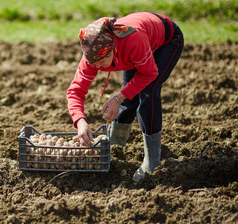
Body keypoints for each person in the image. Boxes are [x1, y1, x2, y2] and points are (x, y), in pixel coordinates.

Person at [67, 12, 184, 182]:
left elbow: (149, 73)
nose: (97, 67)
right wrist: (80, 122)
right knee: (129, 91)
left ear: (112, 49)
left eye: (101, 61)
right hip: (138, 44)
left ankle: (152, 163)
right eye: (93, 63)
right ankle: (116, 146)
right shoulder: (93, 55)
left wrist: (117, 98)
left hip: (167, 39)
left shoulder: (132, 42)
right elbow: (75, 91)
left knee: (147, 90)